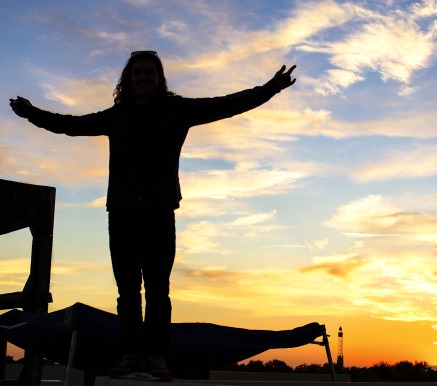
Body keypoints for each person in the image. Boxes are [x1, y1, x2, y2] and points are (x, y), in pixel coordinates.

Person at [9, 50, 296, 381]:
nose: (143, 78)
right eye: (137, 73)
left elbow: (227, 104)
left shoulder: (178, 110)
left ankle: (156, 357)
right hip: (121, 214)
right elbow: (72, 125)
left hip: (159, 213)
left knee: (158, 290)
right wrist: (32, 113)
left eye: (149, 73)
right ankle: (131, 355)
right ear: (129, 80)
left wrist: (271, 87)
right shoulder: (117, 116)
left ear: (159, 79)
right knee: (128, 291)